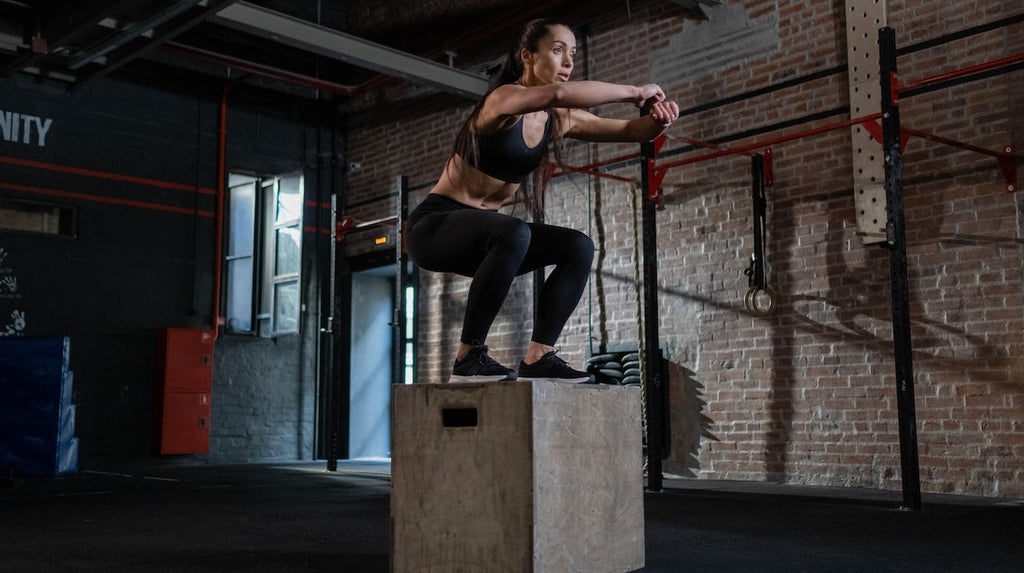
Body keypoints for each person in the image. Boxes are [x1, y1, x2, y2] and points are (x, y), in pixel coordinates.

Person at [406, 18, 678, 384]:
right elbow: (557, 94)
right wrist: (634, 91)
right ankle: (468, 357)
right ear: (527, 57)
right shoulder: (501, 99)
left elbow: (631, 131)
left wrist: (660, 119)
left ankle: (540, 356)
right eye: (557, 50)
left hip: (488, 241)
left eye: (573, 54)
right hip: (434, 228)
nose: (568, 62)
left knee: (577, 247)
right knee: (514, 231)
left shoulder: (557, 120)